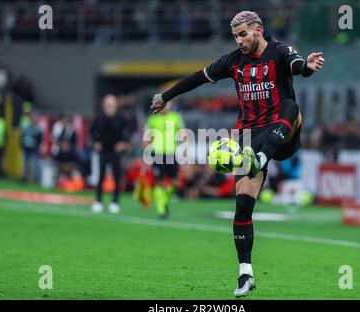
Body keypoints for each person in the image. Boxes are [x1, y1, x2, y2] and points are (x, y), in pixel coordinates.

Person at [150, 11, 324, 297]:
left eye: (243, 34)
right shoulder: (233, 61)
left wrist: (308, 66)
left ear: (258, 30)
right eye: (235, 36)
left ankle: (263, 159)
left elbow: (298, 65)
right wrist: (166, 96)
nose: (239, 41)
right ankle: (246, 273)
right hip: (249, 138)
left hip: (283, 133)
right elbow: (199, 77)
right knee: (243, 205)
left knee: (291, 106)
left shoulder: (279, 50)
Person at [90, 95, 131, 214]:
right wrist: (96, 142)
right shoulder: (99, 118)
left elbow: (128, 131)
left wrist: (124, 144)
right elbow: (92, 131)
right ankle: (98, 201)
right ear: (103, 105)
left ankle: (115, 202)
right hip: (103, 150)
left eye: (112, 105)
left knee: (117, 177)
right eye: (107, 105)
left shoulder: (121, 118)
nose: (109, 108)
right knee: (100, 176)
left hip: (115, 151)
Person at [144, 101, 184, 219]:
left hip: (172, 153)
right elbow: (147, 137)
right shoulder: (152, 119)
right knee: (159, 181)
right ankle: (161, 209)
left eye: (167, 104)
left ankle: (164, 197)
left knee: (176, 182)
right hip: (157, 153)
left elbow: (183, 133)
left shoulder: (176, 117)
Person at [20, 110, 42, 183]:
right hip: (26, 148)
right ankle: (24, 178)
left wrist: (37, 146)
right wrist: (21, 145)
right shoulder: (26, 127)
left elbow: (39, 139)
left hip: (34, 149)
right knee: (25, 164)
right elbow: (22, 137)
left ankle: (36, 179)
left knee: (36, 164)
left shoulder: (38, 129)